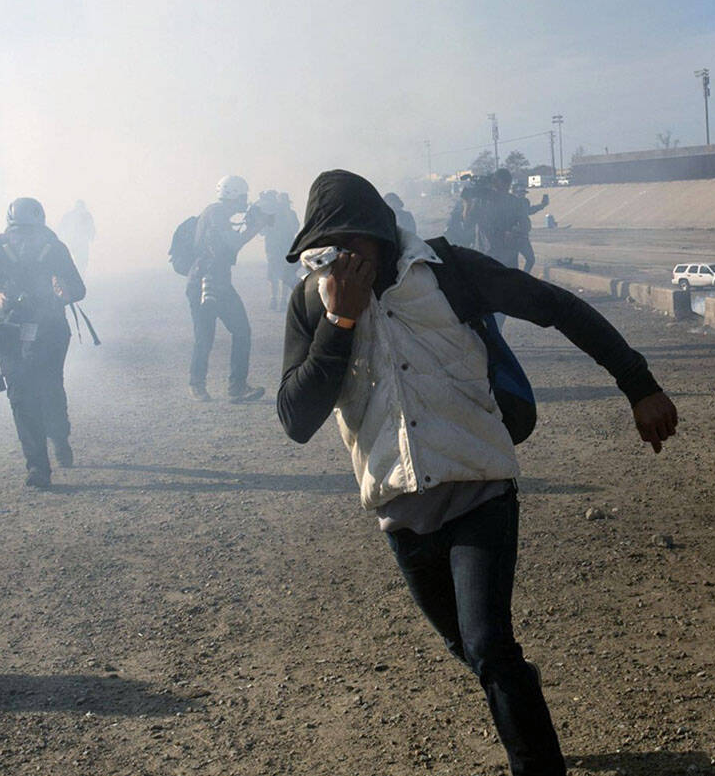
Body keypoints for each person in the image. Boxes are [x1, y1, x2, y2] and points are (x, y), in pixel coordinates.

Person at [276, 169, 677, 776]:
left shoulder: (446, 270)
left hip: (479, 483)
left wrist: (638, 384)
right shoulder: (316, 301)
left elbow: (556, 307)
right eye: (326, 250)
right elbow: (296, 418)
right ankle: (521, 698)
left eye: (354, 242)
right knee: (471, 647)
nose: (342, 258)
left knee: (489, 644)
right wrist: (341, 323)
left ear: (383, 235)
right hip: (400, 507)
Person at [0, 197, 86, 489]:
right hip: (11, 331)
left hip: (48, 330)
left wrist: (63, 292)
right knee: (24, 396)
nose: (22, 240)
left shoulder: (54, 248)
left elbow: (77, 289)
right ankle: (38, 466)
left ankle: (57, 440)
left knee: (42, 391)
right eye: (18, 233)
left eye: (27, 233)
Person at [186, 175, 269, 402]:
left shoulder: (217, 213)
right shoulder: (216, 213)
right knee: (206, 336)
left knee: (241, 331)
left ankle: (236, 387)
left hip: (218, 282)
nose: (245, 202)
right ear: (234, 195)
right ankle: (199, 384)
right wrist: (255, 227)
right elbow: (231, 244)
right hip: (205, 283)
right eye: (243, 197)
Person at [263, 192, 302, 311]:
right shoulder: (271, 214)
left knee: (286, 272)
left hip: (286, 247)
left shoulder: (290, 214)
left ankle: (282, 299)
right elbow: (264, 230)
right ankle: (274, 298)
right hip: (274, 248)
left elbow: (294, 228)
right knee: (273, 274)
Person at [57, 200, 96, 274]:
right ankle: (77, 274)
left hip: (73, 241)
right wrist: (91, 236)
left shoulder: (69, 215)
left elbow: (61, 227)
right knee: (82, 261)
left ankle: (75, 274)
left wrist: (61, 238)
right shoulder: (86, 215)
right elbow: (91, 227)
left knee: (78, 260)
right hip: (78, 242)